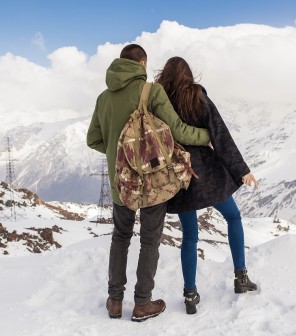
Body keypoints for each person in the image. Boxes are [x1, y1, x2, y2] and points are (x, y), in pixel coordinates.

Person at [86, 45, 210, 322]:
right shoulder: (152, 91)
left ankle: (115, 301)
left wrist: (119, 155)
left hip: (121, 183)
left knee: (120, 237)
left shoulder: (103, 98)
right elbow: (178, 130)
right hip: (152, 182)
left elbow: (93, 140)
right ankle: (142, 304)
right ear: (143, 63)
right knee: (149, 241)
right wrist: (207, 136)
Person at [156, 56, 259, 315]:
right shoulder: (197, 96)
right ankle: (240, 277)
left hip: (177, 175)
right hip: (206, 173)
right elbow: (219, 134)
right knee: (233, 218)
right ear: (189, 75)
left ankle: (190, 294)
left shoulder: (159, 100)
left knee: (190, 235)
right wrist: (242, 170)